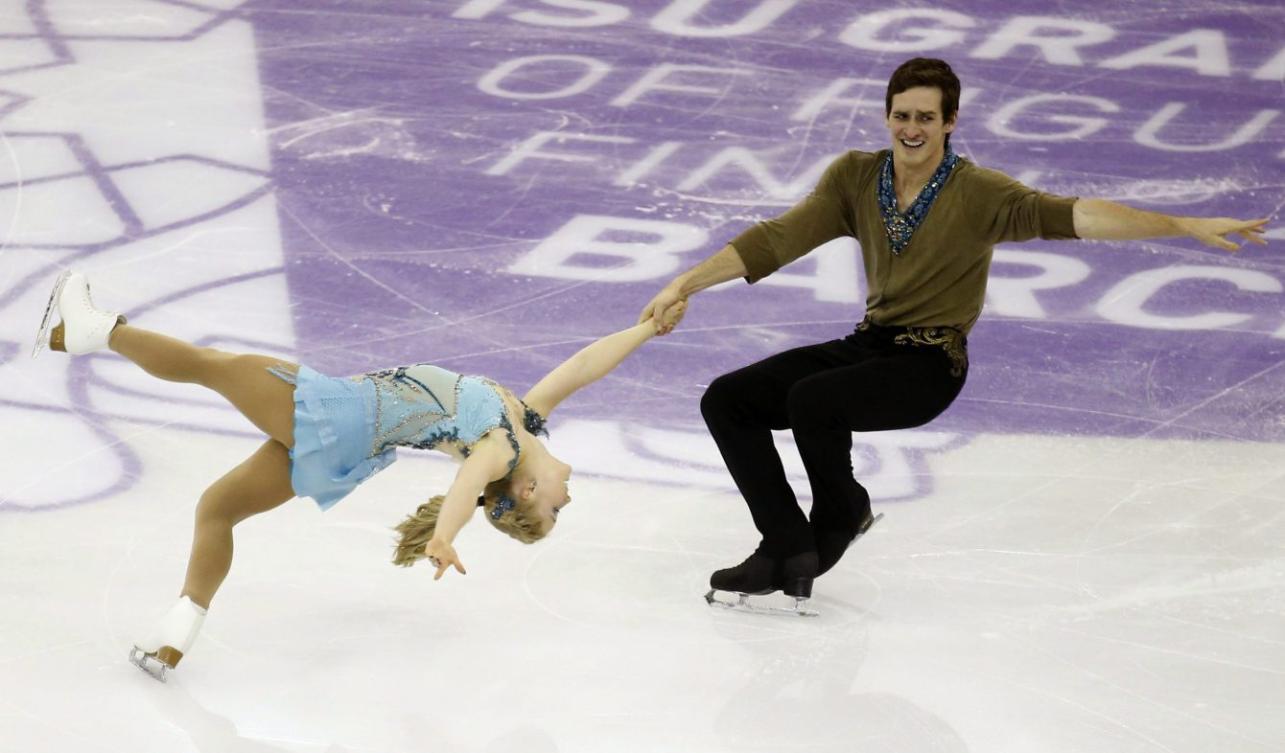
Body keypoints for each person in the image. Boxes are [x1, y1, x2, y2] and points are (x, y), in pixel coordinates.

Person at [638, 57, 1269, 613]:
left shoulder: (981, 193)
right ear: (887, 116)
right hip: (871, 344)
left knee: (813, 401)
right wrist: (686, 284)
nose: (911, 128)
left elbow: (1081, 217)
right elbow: (776, 238)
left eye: (925, 117)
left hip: (932, 363)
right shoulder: (855, 178)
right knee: (728, 398)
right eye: (901, 114)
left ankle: (840, 514)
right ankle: (783, 540)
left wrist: (1181, 224)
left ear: (950, 122)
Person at [35, 269, 683, 679]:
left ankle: (91, 329)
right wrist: (644, 329)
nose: (569, 498)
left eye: (555, 509)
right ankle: (175, 635)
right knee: (217, 509)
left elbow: (462, 488)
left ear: (527, 490)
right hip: (343, 443)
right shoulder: (523, 423)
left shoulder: (499, 451)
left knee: (208, 364)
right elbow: (580, 367)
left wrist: (445, 536)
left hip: (336, 411)